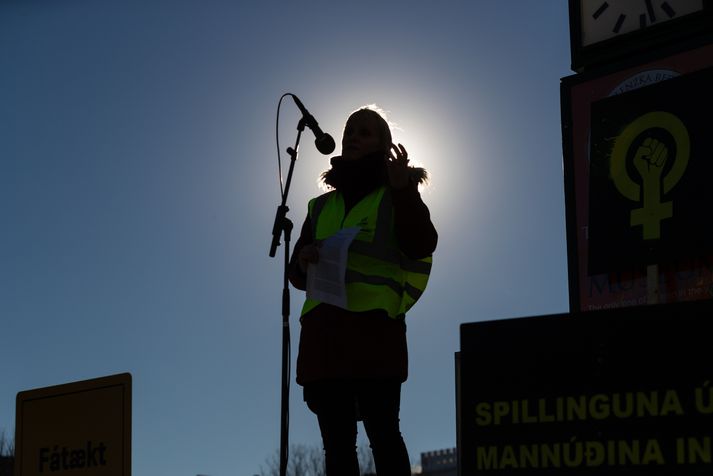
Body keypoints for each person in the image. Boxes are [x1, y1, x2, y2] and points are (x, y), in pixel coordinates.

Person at [288, 106, 437, 476]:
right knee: (337, 446)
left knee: (383, 436)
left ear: (385, 146)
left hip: (374, 333)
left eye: (365, 132)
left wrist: (403, 191)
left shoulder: (396, 193)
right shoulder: (320, 205)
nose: (353, 136)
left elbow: (421, 243)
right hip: (325, 335)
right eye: (350, 130)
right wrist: (303, 258)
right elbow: (296, 274)